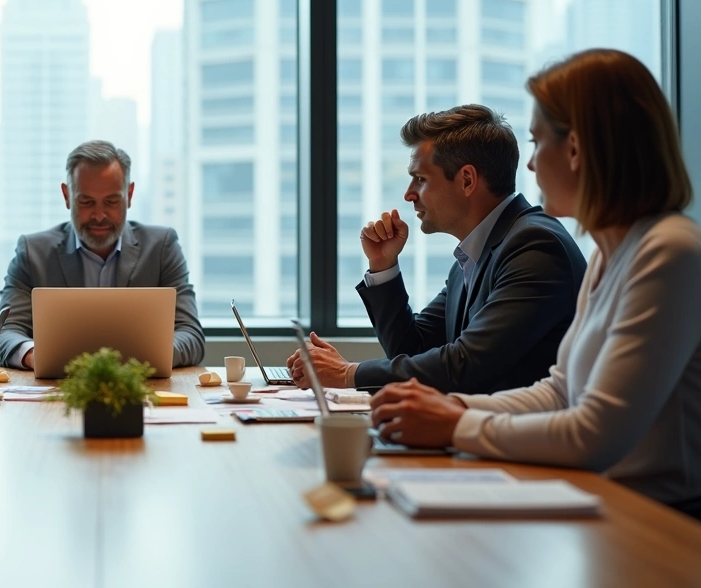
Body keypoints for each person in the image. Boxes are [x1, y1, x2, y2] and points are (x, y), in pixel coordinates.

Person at [370, 49, 701, 517]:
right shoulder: (613, 256)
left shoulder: (669, 251)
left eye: (536, 141)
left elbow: (594, 432)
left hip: (658, 520)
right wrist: (452, 410)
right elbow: (560, 392)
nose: (528, 166)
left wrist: (454, 425)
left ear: (575, 149)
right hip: (604, 503)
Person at [287, 105, 586, 394]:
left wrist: (346, 373)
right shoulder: (472, 257)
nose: (408, 194)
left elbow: (465, 366)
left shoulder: (535, 246)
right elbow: (413, 351)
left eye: (421, 179)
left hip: (522, 440)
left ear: (467, 180)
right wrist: (384, 266)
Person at [0, 140, 205, 369]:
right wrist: (34, 355)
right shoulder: (33, 253)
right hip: (59, 390)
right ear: (66, 196)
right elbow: (4, 335)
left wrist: (142, 357)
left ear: (129, 195)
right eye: (86, 202)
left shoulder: (162, 248)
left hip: (139, 387)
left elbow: (190, 334)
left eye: (112, 201)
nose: (100, 215)